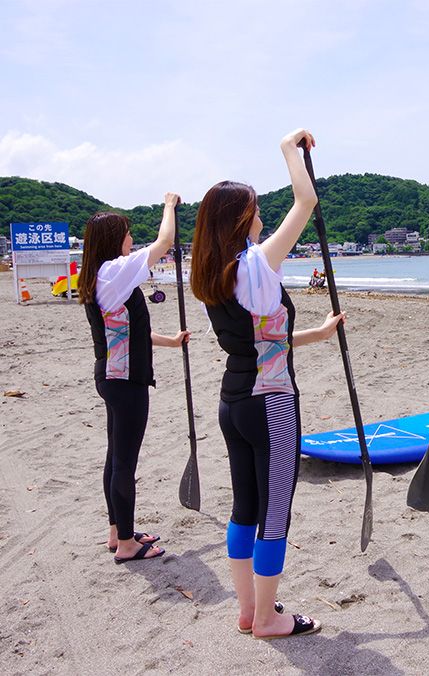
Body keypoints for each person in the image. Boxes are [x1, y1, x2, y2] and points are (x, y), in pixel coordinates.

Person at [191, 128, 344, 640]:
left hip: (233, 403)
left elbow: (256, 342)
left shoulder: (214, 271)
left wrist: (316, 335)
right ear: (240, 219)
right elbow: (307, 199)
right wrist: (288, 150)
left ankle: (247, 609)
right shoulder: (258, 263)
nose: (261, 217)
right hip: (272, 405)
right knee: (275, 511)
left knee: (245, 507)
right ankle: (267, 617)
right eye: (255, 210)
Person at [79, 193, 190, 563]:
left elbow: (123, 331)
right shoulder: (113, 270)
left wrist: (169, 342)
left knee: (116, 456)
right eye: (127, 233)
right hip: (124, 381)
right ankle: (127, 544)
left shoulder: (102, 275)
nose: (131, 240)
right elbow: (165, 243)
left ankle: (117, 531)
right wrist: (169, 207)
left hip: (112, 375)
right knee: (125, 460)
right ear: (114, 239)